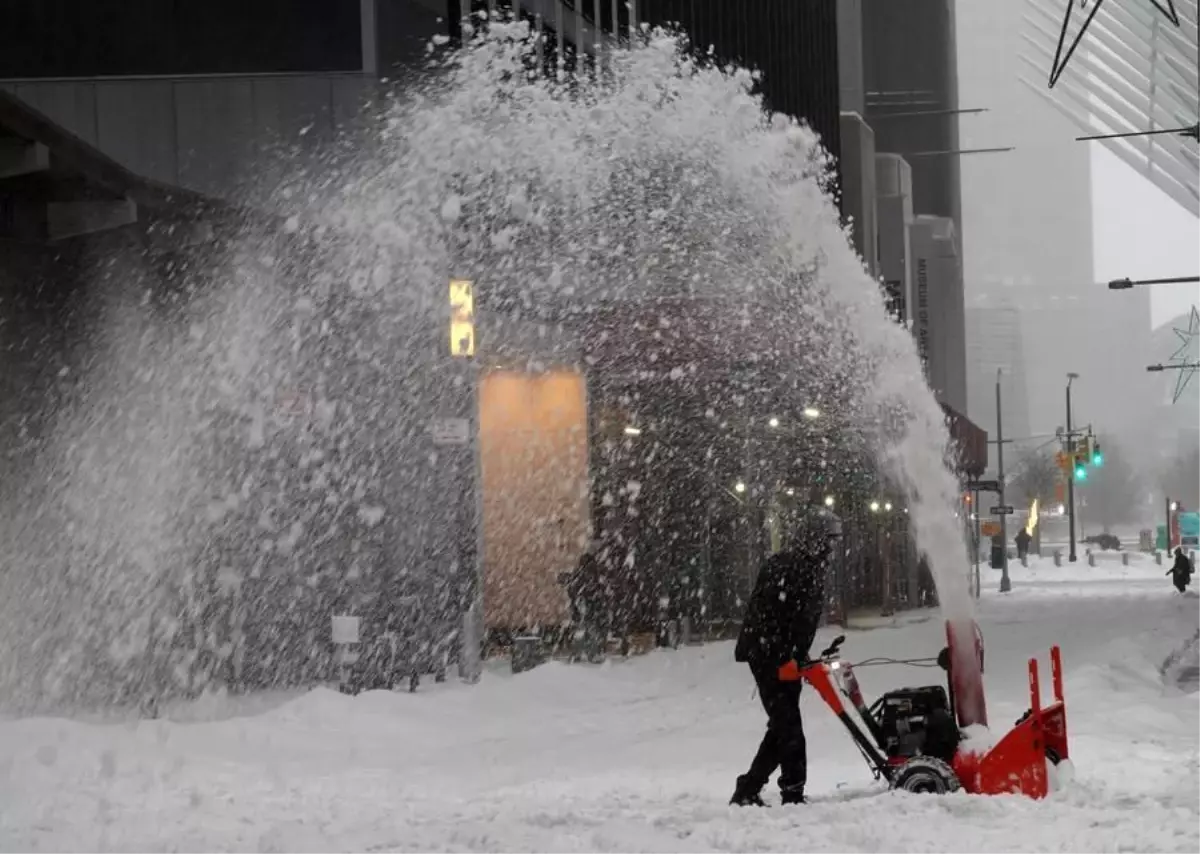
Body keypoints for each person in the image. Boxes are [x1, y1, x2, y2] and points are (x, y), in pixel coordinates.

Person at [730, 509, 840, 807]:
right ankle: (792, 793)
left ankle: (748, 789)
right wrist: (783, 657)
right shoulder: (785, 567)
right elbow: (767, 619)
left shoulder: (809, 568)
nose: (831, 550)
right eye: (828, 542)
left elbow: (798, 622)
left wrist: (800, 656)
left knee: (781, 727)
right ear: (814, 540)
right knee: (789, 729)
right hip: (767, 656)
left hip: (784, 657)